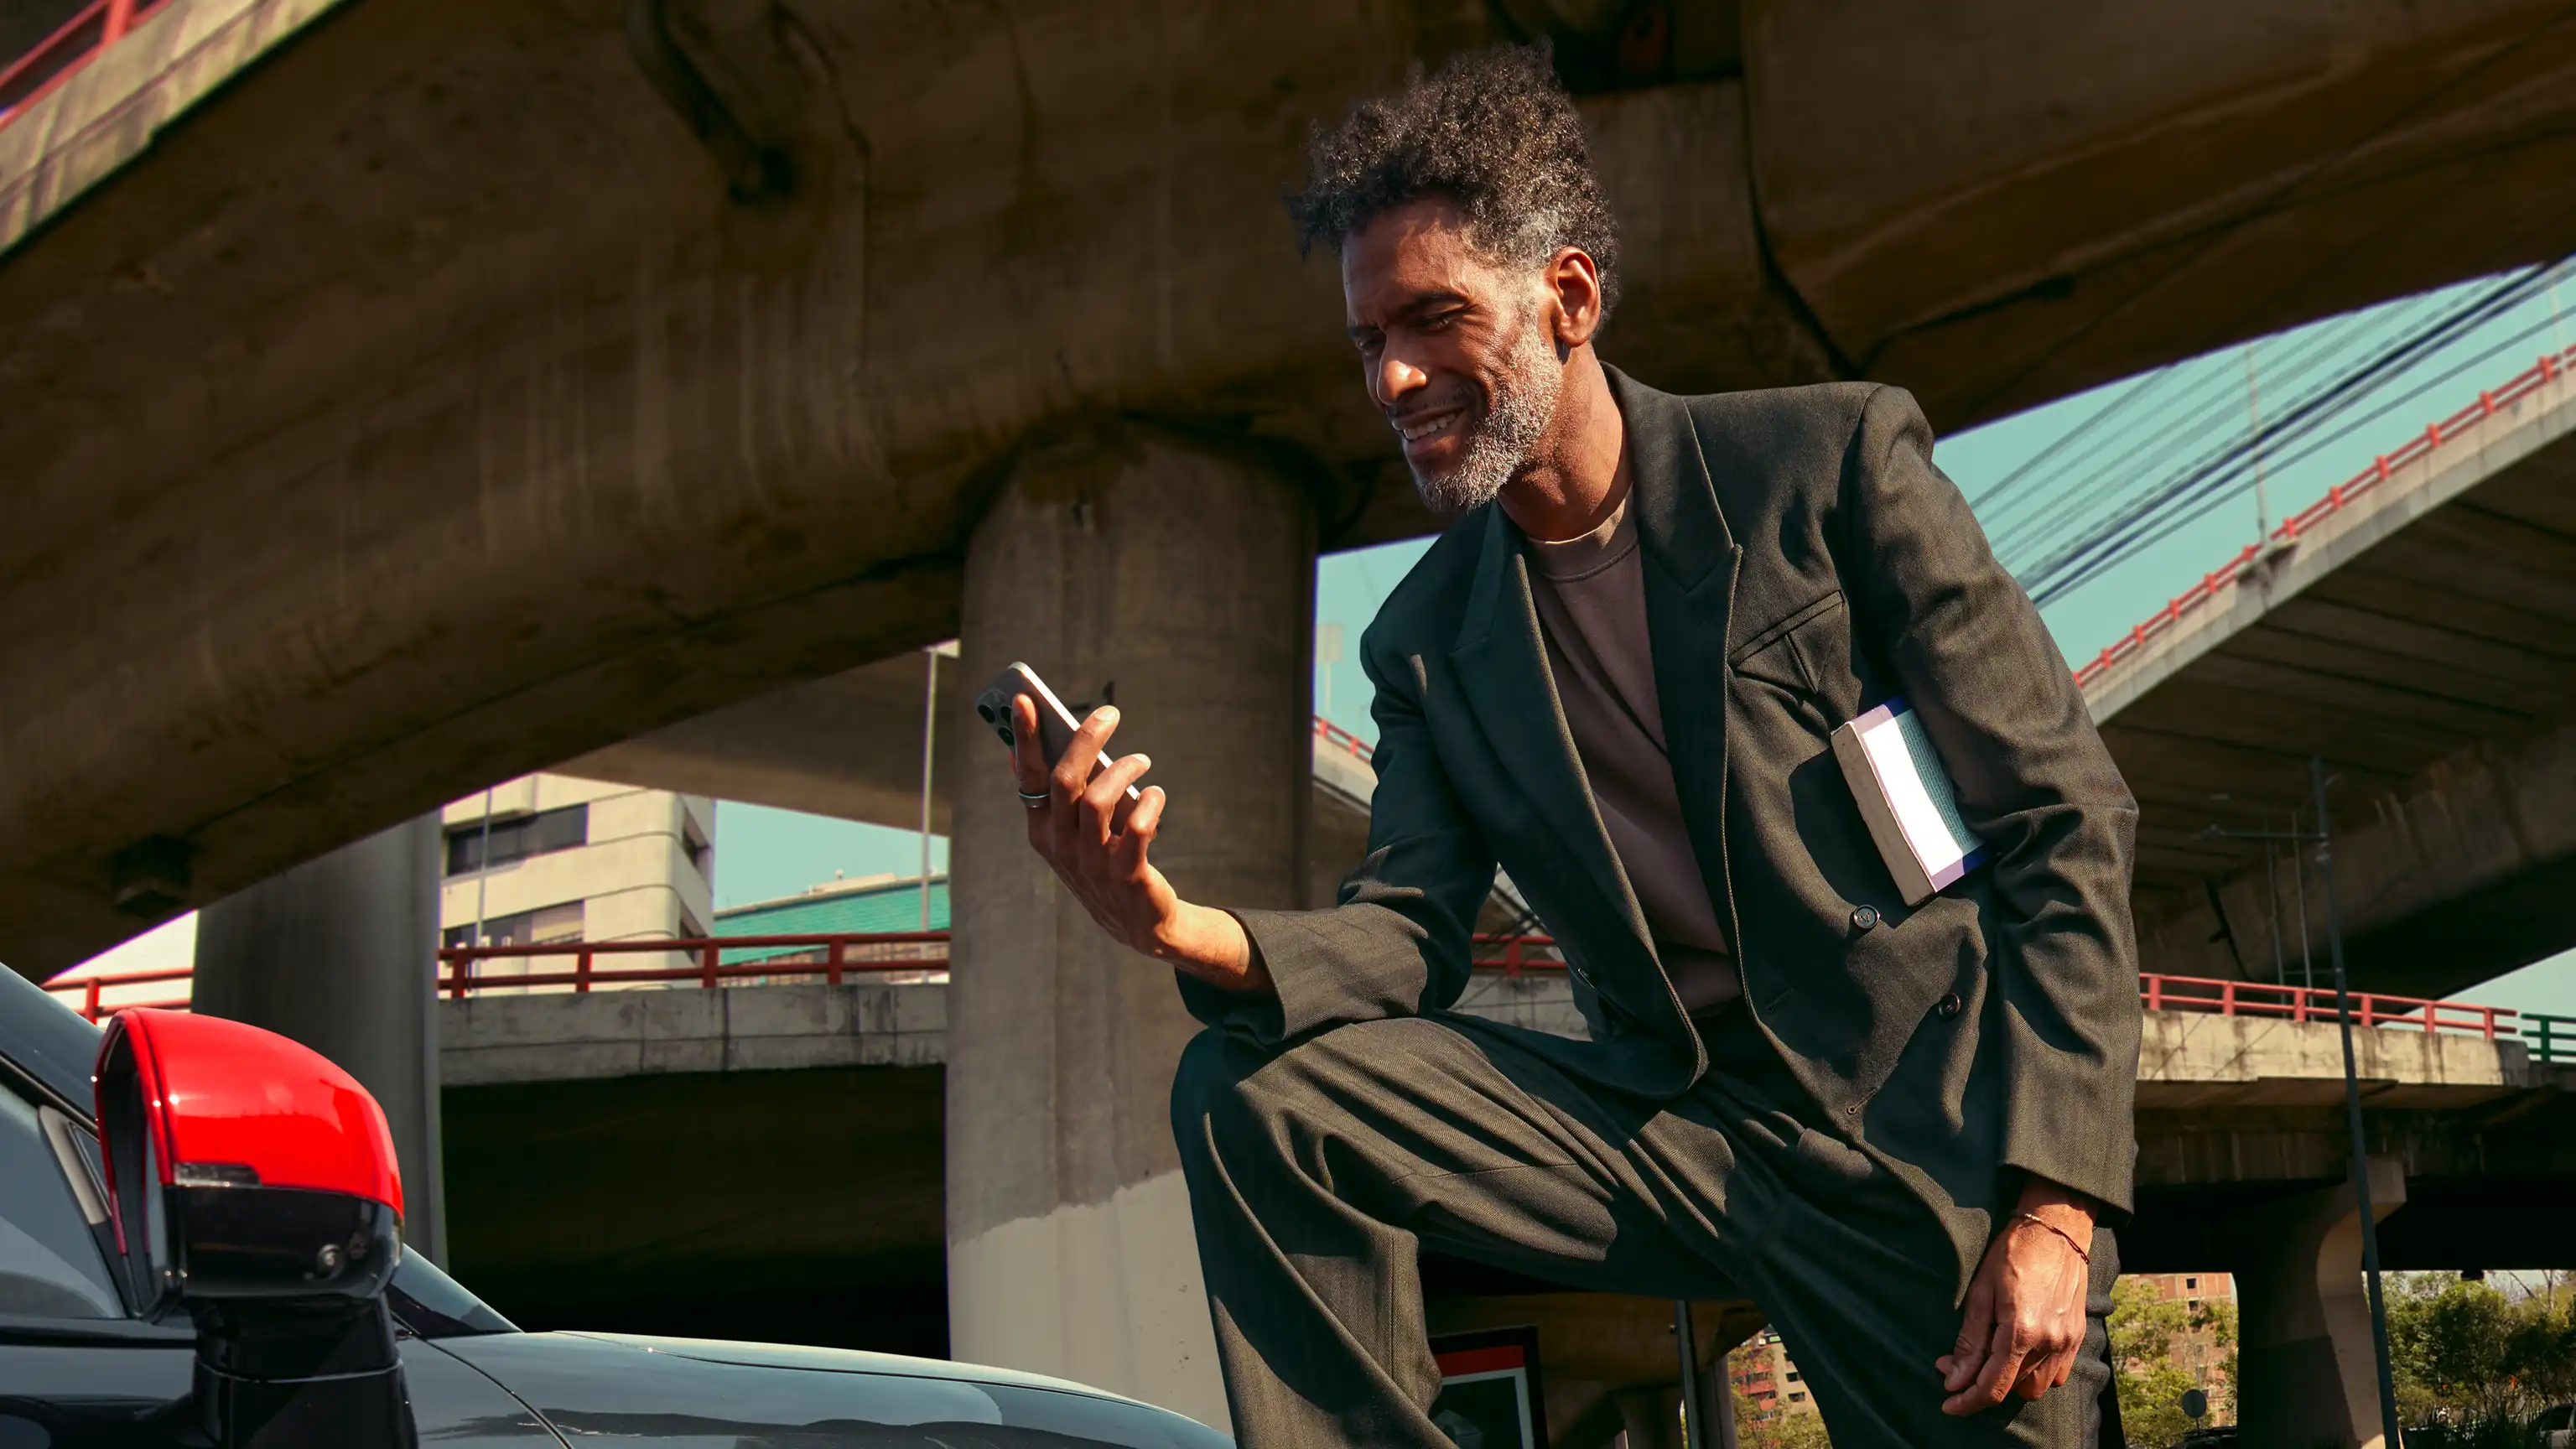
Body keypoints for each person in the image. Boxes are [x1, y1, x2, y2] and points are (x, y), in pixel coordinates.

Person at [1000, 43, 2140, 1449]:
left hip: (1917, 1151)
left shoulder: (1826, 470)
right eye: (1369, 343)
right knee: (1256, 1092)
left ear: (1571, 297)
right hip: (1660, 1128)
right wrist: (1183, 931)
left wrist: (2055, 1210)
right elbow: (1413, 929)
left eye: (1432, 320)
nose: (1394, 378)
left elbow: (2062, 821)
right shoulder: (1424, 638)